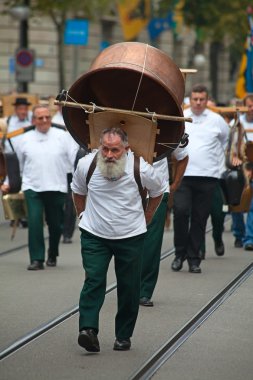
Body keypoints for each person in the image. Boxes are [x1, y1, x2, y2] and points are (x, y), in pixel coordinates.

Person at [71, 127, 167, 352]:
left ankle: (123, 335)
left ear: (126, 149)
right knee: (93, 280)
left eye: (115, 150)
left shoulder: (140, 168)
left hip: (130, 236)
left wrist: (147, 217)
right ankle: (88, 330)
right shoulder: (87, 164)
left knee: (129, 286)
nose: (109, 155)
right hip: (95, 235)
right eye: (105, 149)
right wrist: (83, 215)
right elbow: (78, 190)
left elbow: (159, 191)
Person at [1, 105, 78, 270]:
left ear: (50, 118)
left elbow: (74, 163)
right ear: (33, 120)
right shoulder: (24, 139)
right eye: (40, 118)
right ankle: (36, 259)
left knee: (56, 224)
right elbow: (17, 167)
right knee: (34, 222)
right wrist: (8, 181)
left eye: (47, 117)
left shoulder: (63, 137)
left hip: (57, 186)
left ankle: (52, 253)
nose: (44, 121)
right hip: (32, 187)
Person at [171, 84, 229, 273]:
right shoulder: (182, 117)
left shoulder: (216, 120)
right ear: (190, 99)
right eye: (195, 99)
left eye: (201, 99)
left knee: (200, 218)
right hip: (184, 175)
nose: (198, 102)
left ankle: (194, 258)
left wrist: (216, 165)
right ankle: (179, 254)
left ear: (206, 100)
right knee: (180, 212)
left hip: (207, 177)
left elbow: (224, 141)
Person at [139, 145, 188, 307]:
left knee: (151, 243)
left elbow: (182, 156)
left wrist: (174, 186)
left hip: (158, 193)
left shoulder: (170, 124)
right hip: (127, 192)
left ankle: (144, 291)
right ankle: (128, 286)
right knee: (126, 242)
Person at [52, 105, 79, 244]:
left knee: (70, 203)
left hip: (73, 171)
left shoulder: (76, 117)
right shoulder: (53, 120)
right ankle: (60, 227)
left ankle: (67, 232)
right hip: (59, 170)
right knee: (57, 203)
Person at [231, 93, 253, 250]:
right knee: (237, 204)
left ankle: (249, 238)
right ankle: (239, 233)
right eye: (249, 105)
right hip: (240, 167)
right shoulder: (236, 123)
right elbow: (231, 148)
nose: (251, 109)